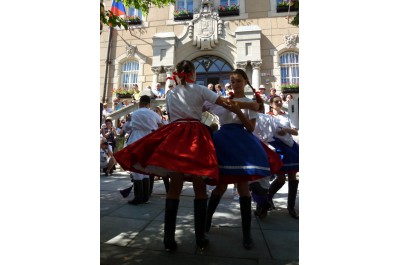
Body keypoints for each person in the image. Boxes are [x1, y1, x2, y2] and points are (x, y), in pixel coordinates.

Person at [114, 60, 259, 252]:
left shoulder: (171, 93)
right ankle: (200, 238)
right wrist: (253, 105)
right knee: (199, 186)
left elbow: (180, 114)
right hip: (194, 136)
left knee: (175, 186)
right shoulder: (199, 89)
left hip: (175, 135)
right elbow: (223, 103)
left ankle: (168, 239)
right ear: (192, 73)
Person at [203, 69, 275, 250]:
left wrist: (239, 110)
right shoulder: (223, 100)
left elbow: (250, 128)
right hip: (223, 141)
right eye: (232, 81)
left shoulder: (250, 102)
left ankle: (247, 233)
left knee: (243, 188)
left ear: (245, 81)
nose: (235, 84)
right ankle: (206, 222)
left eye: (238, 81)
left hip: (241, 141)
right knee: (220, 186)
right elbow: (203, 105)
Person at [122, 95, 164, 205]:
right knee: (146, 169)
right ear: (149, 104)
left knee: (136, 169)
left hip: (136, 141)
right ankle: (145, 196)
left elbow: (126, 128)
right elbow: (162, 127)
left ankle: (138, 197)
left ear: (140, 103)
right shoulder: (154, 114)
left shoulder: (133, 114)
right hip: (149, 142)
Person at [266, 95, 299, 219]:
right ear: (271, 104)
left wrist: (286, 130)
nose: (279, 102)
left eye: (280, 101)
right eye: (276, 101)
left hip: (290, 147)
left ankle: (291, 207)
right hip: (277, 148)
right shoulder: (267, 117)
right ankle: (268, 198)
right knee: (280, 178)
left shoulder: (286, 115)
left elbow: (295, 131)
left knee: (292, 176)